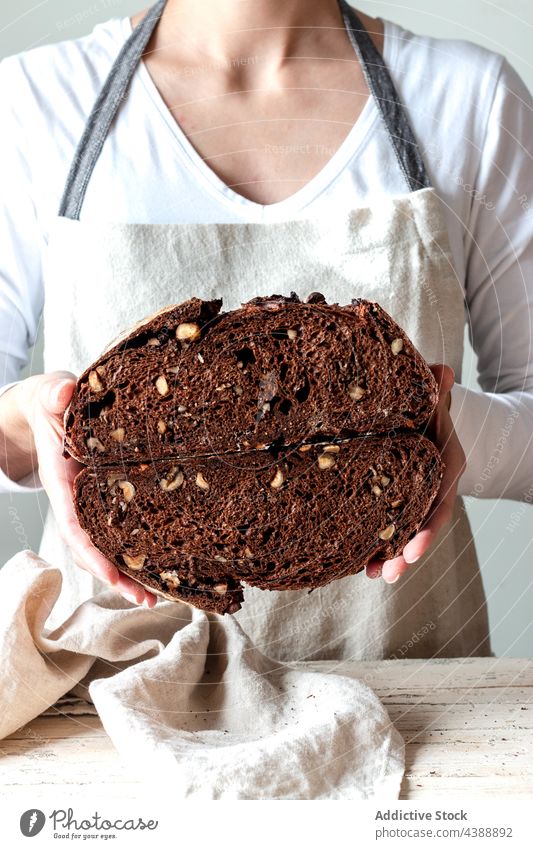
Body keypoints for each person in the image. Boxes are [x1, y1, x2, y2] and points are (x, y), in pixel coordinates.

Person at [0, 0, 532, 660]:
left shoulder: (467, 98)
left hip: (415, 700)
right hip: (105, 715)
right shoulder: (32, 102)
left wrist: (442, 434)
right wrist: (29, 418)